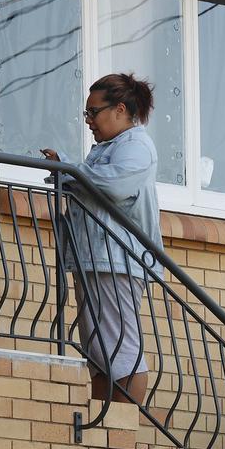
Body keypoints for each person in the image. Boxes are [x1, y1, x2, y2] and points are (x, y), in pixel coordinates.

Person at [43, 73, 161, 404]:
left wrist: (69, 170)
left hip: (117, 261)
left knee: (121, 350)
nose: (89, 121)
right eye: (87, 114)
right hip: (96, 258)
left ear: (120, 108)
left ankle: (123, 429)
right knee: (100, 352)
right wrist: (69, 170)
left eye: (93, 113)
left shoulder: (136, 145)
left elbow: (114, 185)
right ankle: (105, 430)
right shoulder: (108, 148)